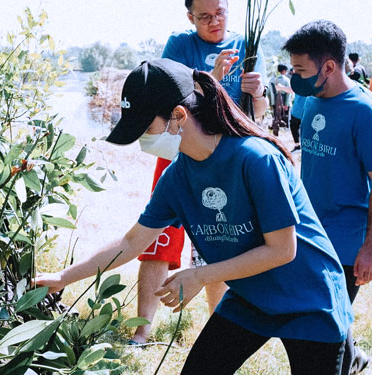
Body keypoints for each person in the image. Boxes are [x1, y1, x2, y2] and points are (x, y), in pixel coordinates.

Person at [36, 58, 353, 375]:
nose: (144, 141)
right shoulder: (177, 178)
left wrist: (201, 275)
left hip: (309, 300)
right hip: (252, 296)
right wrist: (63, 279)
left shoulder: (255, 159)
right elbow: (133, 242)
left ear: (178, 116)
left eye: (147, 128)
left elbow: (283, 249)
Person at [130, 0, 269, 345]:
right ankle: (142, 331)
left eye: (220, 12)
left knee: (221, 241)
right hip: (178, 150)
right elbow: (165, 100)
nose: (214, 21)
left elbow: (260, 112)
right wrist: (214, 79)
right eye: (204, 16)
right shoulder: (180, 44)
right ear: (190, 17)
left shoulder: (247, 45)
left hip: (224, 157)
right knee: (159, 237)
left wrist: (259, 93)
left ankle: (216, 333)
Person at [283, 20, 372, 375]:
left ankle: (348, 362)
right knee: (327, 317)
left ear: (328, 67)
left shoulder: (366, 112)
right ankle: (354, 359)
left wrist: (371, 248)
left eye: (301, 69)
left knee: (323, 324)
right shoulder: (311, 101)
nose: (295, 78)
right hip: (309, 232)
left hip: (345, 241)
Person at [269, 63, 292, 133]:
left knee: (275, 116)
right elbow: (288, 93)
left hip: (275, 101)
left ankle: (275, 129)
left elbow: (270, 92)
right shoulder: (286, 80)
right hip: (284, 100)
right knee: (285, 117)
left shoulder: (272, 79)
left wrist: (272, 103)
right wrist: (286, 104)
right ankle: (285, 132)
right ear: (284, 71)